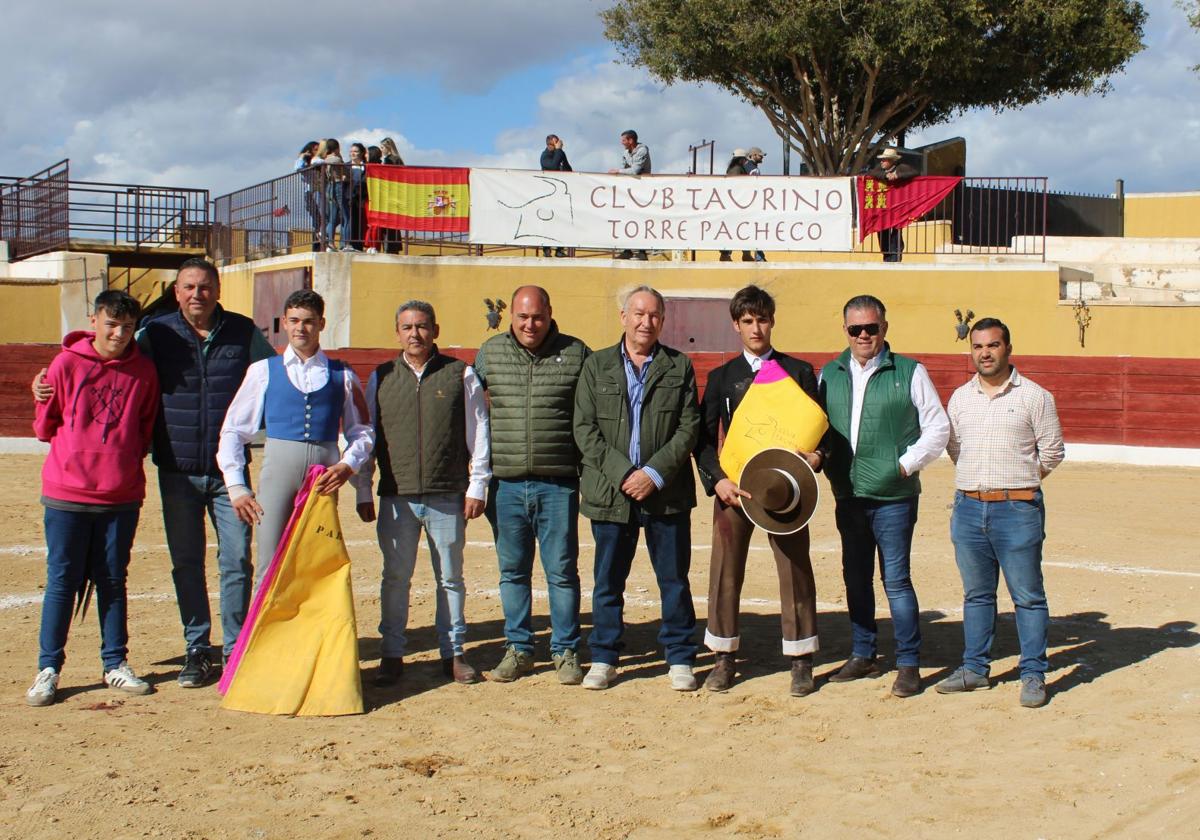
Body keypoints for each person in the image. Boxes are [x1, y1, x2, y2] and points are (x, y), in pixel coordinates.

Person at [32, 258, 276, 688]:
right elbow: (111, 357)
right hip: (176, 469)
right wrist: (47, 381)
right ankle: (198, 649)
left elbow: (278, 377)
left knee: (237, 559)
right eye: (188, 287)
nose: (196, 294)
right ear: (177, 292)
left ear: (218, 290)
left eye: (204, 286)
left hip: (230, 472)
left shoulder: (243, 332)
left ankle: (237, 647)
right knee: (186, 562)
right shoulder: (155, 332)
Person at [26, 290, 160, 706]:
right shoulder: (67, 364)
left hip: (120, 493)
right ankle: (48, 667)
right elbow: (45, 427)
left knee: (113, 580)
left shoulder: (144, 371)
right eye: (111, 324)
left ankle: (114, 663)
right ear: (94, 320)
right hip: (67, 492)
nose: (118, 333)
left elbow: (144, 429)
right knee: (62, 581)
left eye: (126, 326)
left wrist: (117, 463)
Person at [694, 285, 823, 695]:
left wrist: (818, 459)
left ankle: (801, 658)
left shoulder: (799, 371)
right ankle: (723, 655)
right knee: (725, 570)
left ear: (772, 320)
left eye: (762, 319)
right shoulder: (722, 377)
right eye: (747, 321)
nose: (756, 327)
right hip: (735, 486)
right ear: (736, 325)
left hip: (785, 487)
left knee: (794, 567)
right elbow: (702, 438)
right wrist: (718, 481)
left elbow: (823, 429)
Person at [353, 301, 491, 686]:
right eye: (407, 327)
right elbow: (368, 437)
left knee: (450, 577)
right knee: (395, 578)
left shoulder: (460, 374)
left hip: (447, 493)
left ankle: (454, 652)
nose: (415, 334)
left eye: (422, 326)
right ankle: (392, 653)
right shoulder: (381, 377)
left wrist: (477, 484)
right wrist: (364, 487)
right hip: (396, 495)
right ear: (397, 332)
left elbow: (479, 433)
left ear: (435, 329)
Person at [819, 294, 949, 697]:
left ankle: (908, 663)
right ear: (845, 331)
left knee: (896, 580)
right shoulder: (830, 373)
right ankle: (863, 653)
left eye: (870, 328)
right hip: (849, 495)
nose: (863, 335)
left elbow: (938, 427)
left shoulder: (909, 371)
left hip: (893, 496)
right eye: (855, 329)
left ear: (884, 329)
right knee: (855, 578)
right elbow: (819, 428)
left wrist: (904, 465)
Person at [573, 286, 700, 691]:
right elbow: (585, 429)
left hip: (666, 492)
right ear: (623, 316)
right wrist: (625, 472)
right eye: (639, 314)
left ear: (663, 320)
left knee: (674, 579)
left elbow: (688, 427)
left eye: (655, 315)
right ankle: (605, 657)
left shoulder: (679, 366)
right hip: (612, 492)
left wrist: (654, 474)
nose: (647, 322)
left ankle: (680, 657)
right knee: (608, 580)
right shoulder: (596, 367)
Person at [937, 318, 1065, 708]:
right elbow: (954, 448)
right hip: (969, 507)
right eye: (978, 347)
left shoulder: (1035, 396)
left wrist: (1019, 481)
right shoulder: (960, 398)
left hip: (1018, 508)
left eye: (993, 345)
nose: (985, 353)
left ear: (1008, 348)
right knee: (976, 596)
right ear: (971, 351)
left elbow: (1053, 452)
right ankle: (975, 670)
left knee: (1027, 597)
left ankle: (1033, 674)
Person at [474, 286, 590, 685]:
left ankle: (565, 649)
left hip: (558, 483)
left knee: (560, 571)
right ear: (512, 317)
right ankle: (519, 649)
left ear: (549, 313)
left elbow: (590, 416)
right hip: (505, 484)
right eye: (522, 317)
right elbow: (470, 413)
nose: (530, 324)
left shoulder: (576, 353)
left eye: (537, 317)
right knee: (512, 571)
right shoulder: (490, 353)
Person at [218, 289, 373, 577]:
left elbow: (361, 431)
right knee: (270, 560)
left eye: (309, 321)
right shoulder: (262, 370)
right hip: (278, 472)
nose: (301, 328)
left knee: (317, 563)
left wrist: (347, 466)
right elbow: (234, 430)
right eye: (295, 320)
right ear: (284, 323)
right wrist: (236, 485)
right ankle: (265, 624)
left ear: (321, 324)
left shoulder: (343, 374)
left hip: (323, 477)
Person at [867, 148, 918, 262]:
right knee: (882, 232)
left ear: (891, 161)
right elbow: (872, 173)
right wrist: (886, 176)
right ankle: (887, 256)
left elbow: (914, 173)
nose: (882, 162)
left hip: (898, 207)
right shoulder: (879, 169)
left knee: (896, 233)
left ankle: (896, 257)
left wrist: (897, 175)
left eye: (884, 160)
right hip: (883, 208)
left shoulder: (901, 167)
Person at [608, 129, 652, 260]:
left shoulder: (642, 150)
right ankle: (627, 250)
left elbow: (635, 170)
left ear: (630, 140)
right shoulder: (625, 152)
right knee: (626, 218)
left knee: (640, 219)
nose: (622, 143)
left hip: (643, 190)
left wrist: (618, 171)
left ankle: (642, 251)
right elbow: (625, 168)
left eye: (623, 140)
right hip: (630, 190)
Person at [718, 150, 754, 263]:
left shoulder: (732, 170)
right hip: (737, 205)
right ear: (741, 159)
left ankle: (731, 254)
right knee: (740, 229)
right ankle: (729, 255)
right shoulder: (737, 170)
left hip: (735, 205)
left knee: (736, 230)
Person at [540, 135, 572, 258]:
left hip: (559, 194)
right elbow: (553, 166)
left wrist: (560, 153)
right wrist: (559, 151)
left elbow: (569, 169)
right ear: (549, 144)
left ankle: (559, 249)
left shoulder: (560, 153)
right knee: (548, 221)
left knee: (561, 222)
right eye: (556, 143)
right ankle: (546, 249)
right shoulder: (544, 155)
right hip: (548, 193)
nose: (559, 145)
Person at [295, 141, 323, 252]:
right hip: (311, 194)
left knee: (321, 221)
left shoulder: (318, 162)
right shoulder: (306, 164)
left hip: (320, 193)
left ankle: (320, 245)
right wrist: (302, 156)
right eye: (315, 149)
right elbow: (297, 168)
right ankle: (317, 247)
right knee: (317, 221)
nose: (317, 151)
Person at [743, 147, 768, 262]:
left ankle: (752, 254)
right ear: (753, 155)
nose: (762, 157)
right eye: (760, 155)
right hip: (752, 203)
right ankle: (759, 256)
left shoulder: (747, 166)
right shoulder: (752, 168)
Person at [347, 142, 368, 252]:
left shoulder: (366, 167)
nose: (353, 153)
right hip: (349, 198)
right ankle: (348, 244)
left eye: (355, 151)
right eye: (351, 151)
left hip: (362, 198)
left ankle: (358, 246)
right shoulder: (346, 166)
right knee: (349, 222)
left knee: (360, 223)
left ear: (361, 153)